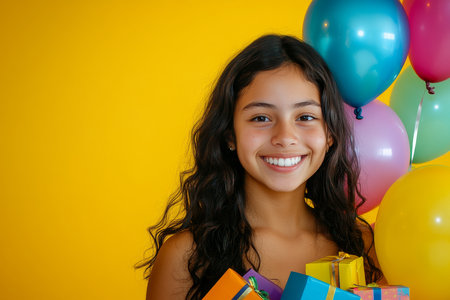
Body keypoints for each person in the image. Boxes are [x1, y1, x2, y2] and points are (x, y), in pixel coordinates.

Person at [138, 34, 384, 300]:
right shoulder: (186, 257)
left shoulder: (364, 245)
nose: (285, 137)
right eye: (261, 117)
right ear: (230, 134)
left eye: (305, 117)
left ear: (330, 134)